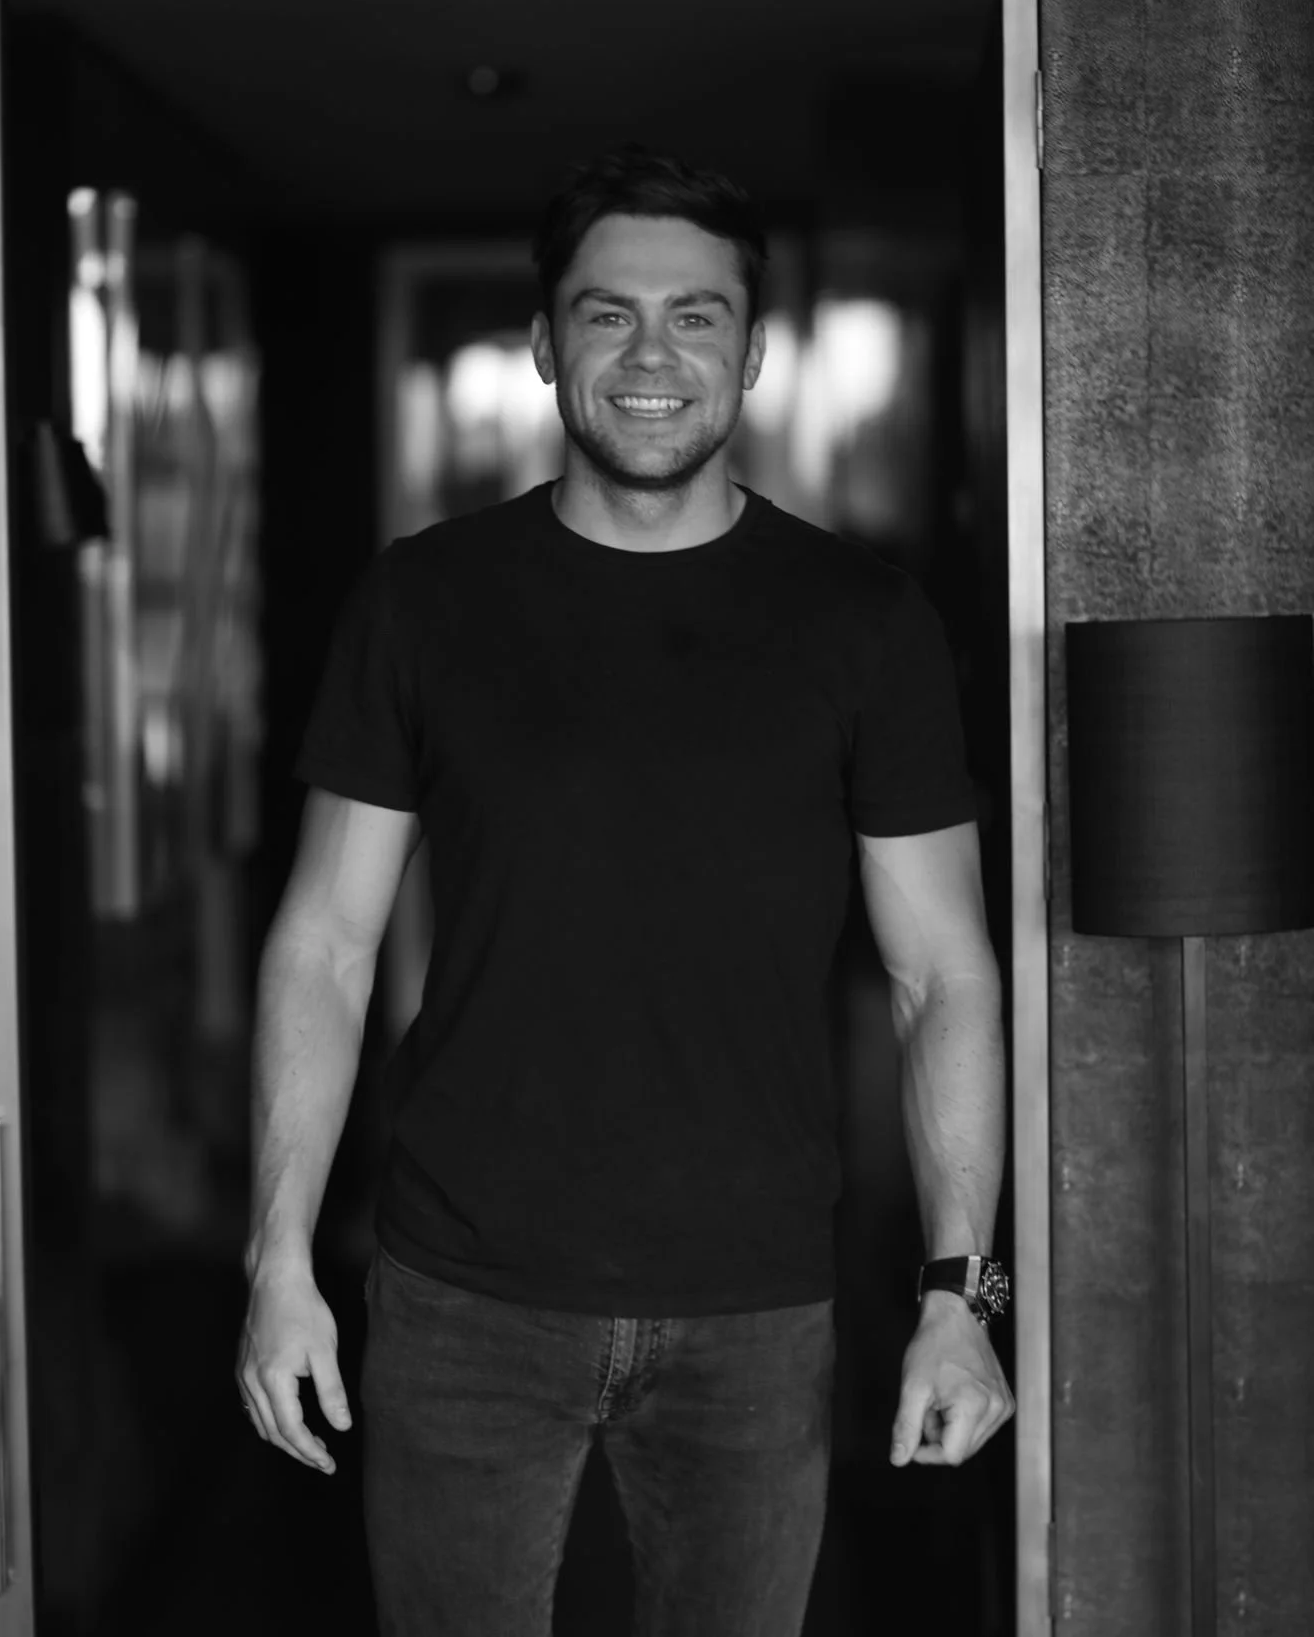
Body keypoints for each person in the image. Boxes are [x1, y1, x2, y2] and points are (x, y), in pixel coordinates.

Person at [236, 143, 1015, 1637]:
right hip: (461, 1297)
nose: (652, 356)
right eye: (609, 314)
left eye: (696, 316)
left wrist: (959, 1295)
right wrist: (279, 1262)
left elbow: (944, 979)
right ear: (546, 343)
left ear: (754, 352)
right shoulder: (423, 602)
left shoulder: (867, 624)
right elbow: (324, 945)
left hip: (758, 1309)